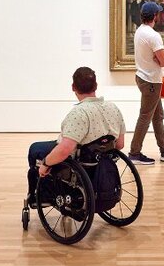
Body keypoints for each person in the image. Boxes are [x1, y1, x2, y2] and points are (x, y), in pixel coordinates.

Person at [26, 67, 126, 203]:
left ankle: (41, 194)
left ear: (73, 87)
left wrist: (45, 163)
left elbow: (65, 150)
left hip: (78, 157)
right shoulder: (113, 108)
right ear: (96, 86)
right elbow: (120, 145)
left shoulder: (79, 113)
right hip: (101, 160)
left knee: (35, 149)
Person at [129, 1, 164, 165]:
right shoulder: (153, 35)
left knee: (157, 116)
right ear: (155, 16)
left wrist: (156, 58)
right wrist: (158, 58)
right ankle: (134, 152)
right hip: (151, 81)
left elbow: (158, 59)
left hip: (143, 77)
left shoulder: (140, 31)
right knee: (145, 116)